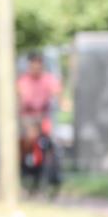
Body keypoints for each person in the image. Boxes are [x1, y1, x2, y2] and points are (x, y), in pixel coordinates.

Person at [17, 52, 62, 190]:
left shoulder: (48, 79)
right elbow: (19, 96)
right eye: (33, 66)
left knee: (51, 140)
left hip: (44, 116)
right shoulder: (23, 80)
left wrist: (60, 100)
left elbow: (57, 91)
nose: (36, 69)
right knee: (29, 138)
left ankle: (53, 172)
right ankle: (26, 164)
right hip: (28, 116)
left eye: (39, 66)